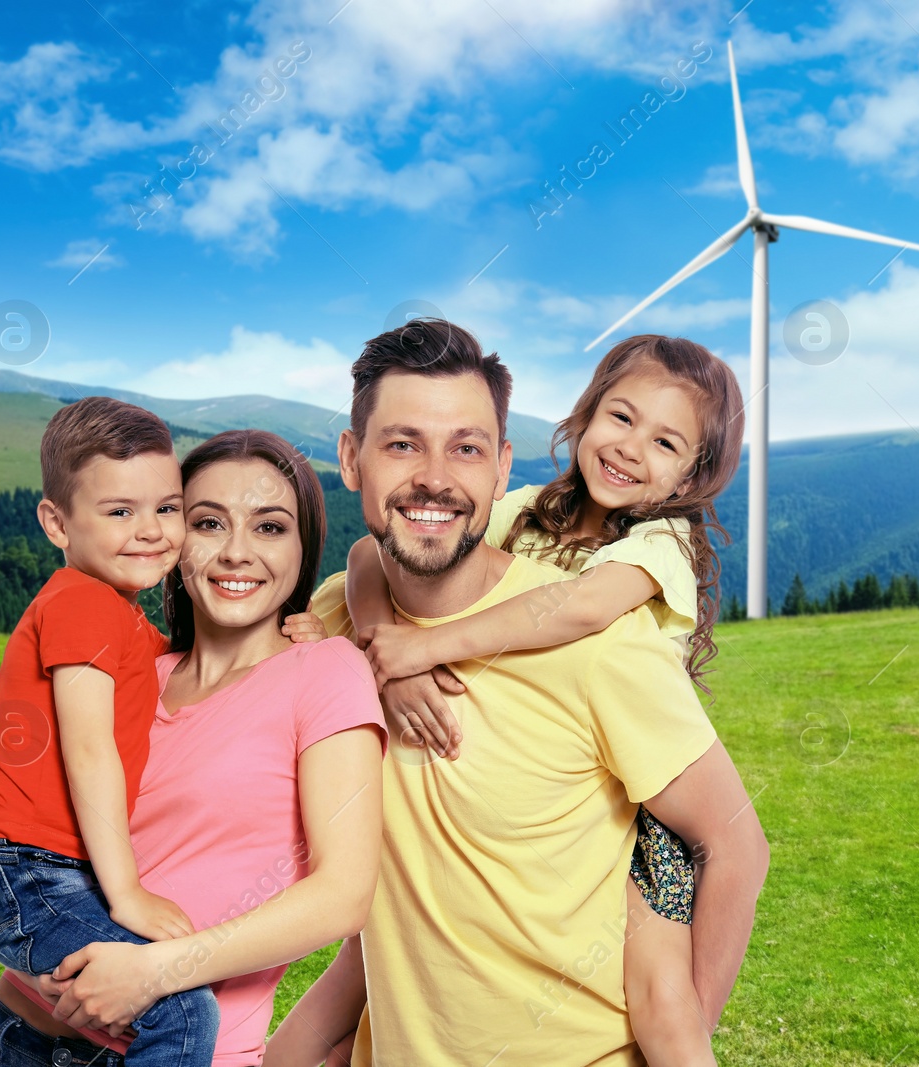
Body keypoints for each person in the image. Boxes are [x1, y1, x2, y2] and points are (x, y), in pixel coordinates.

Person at [269, 319, 769, 1067]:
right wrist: (385, 653)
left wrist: (424, 648)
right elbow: (383, 548)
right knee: (359, 963)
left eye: (667, 443)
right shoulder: (518, 514)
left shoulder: (643, 572)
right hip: (411, 979)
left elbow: (577, 609)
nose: (632, 448)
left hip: (649, 815)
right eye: (621, 418)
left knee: (665, 999)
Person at [0, 429, 386, 1067]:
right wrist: (74, 983)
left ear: (305, 543)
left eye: (269, 528)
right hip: (20, 1036)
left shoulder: (325, 671)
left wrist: (154, 973)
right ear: (175, 537)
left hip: (181, 1048)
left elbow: (342, 896)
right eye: (207, 522)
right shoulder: (124, 672)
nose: (235, 553)